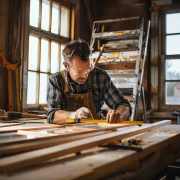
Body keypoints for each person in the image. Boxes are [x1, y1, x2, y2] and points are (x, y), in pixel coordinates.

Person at [47, 39, 132, 124]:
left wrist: (119, 115)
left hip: (96, 130)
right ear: (66, 66)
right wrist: (74, 115)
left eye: (88, 69)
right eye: (79, 72)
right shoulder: (56, 80)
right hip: (66, 131)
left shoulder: (100, 76)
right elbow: (52, 115)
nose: (85, 75)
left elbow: (124, 105)